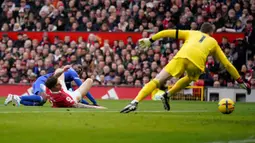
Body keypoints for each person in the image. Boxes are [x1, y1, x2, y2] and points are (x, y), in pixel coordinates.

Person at [120, 22, 251, 113]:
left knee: (157, 80)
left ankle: (135, 102)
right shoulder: (214, 42)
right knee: (190, 78)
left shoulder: (191, 33)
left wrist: (151, 39)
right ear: (211, 32)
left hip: (182, 56)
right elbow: (227, 64)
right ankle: (168, 94)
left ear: (200, 30)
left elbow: (168, 32)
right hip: (196, 63)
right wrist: (240, 80)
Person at [5, 64, 98, 106]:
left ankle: (18, 100)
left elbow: (73, 96)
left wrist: (86, 103)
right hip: (43, 81)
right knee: (42, 98)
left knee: (40, 103)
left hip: (44, 81)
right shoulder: (72, 72)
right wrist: (94, 103)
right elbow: (83, 89)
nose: (79, 73)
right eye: (79, 71)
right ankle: (16, 97)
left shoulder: (67, 79)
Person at [39, 65, 106, 109]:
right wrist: (95, 107)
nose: (61, 84)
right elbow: (77, 105)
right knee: (89, 80)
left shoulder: (49, 87)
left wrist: (63, 70)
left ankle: (69, 89)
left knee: (58, 71)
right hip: (73, 97)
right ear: (54, 87)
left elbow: (56, 75)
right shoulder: (63, 97)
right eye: (58, 84)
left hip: (64, 91)